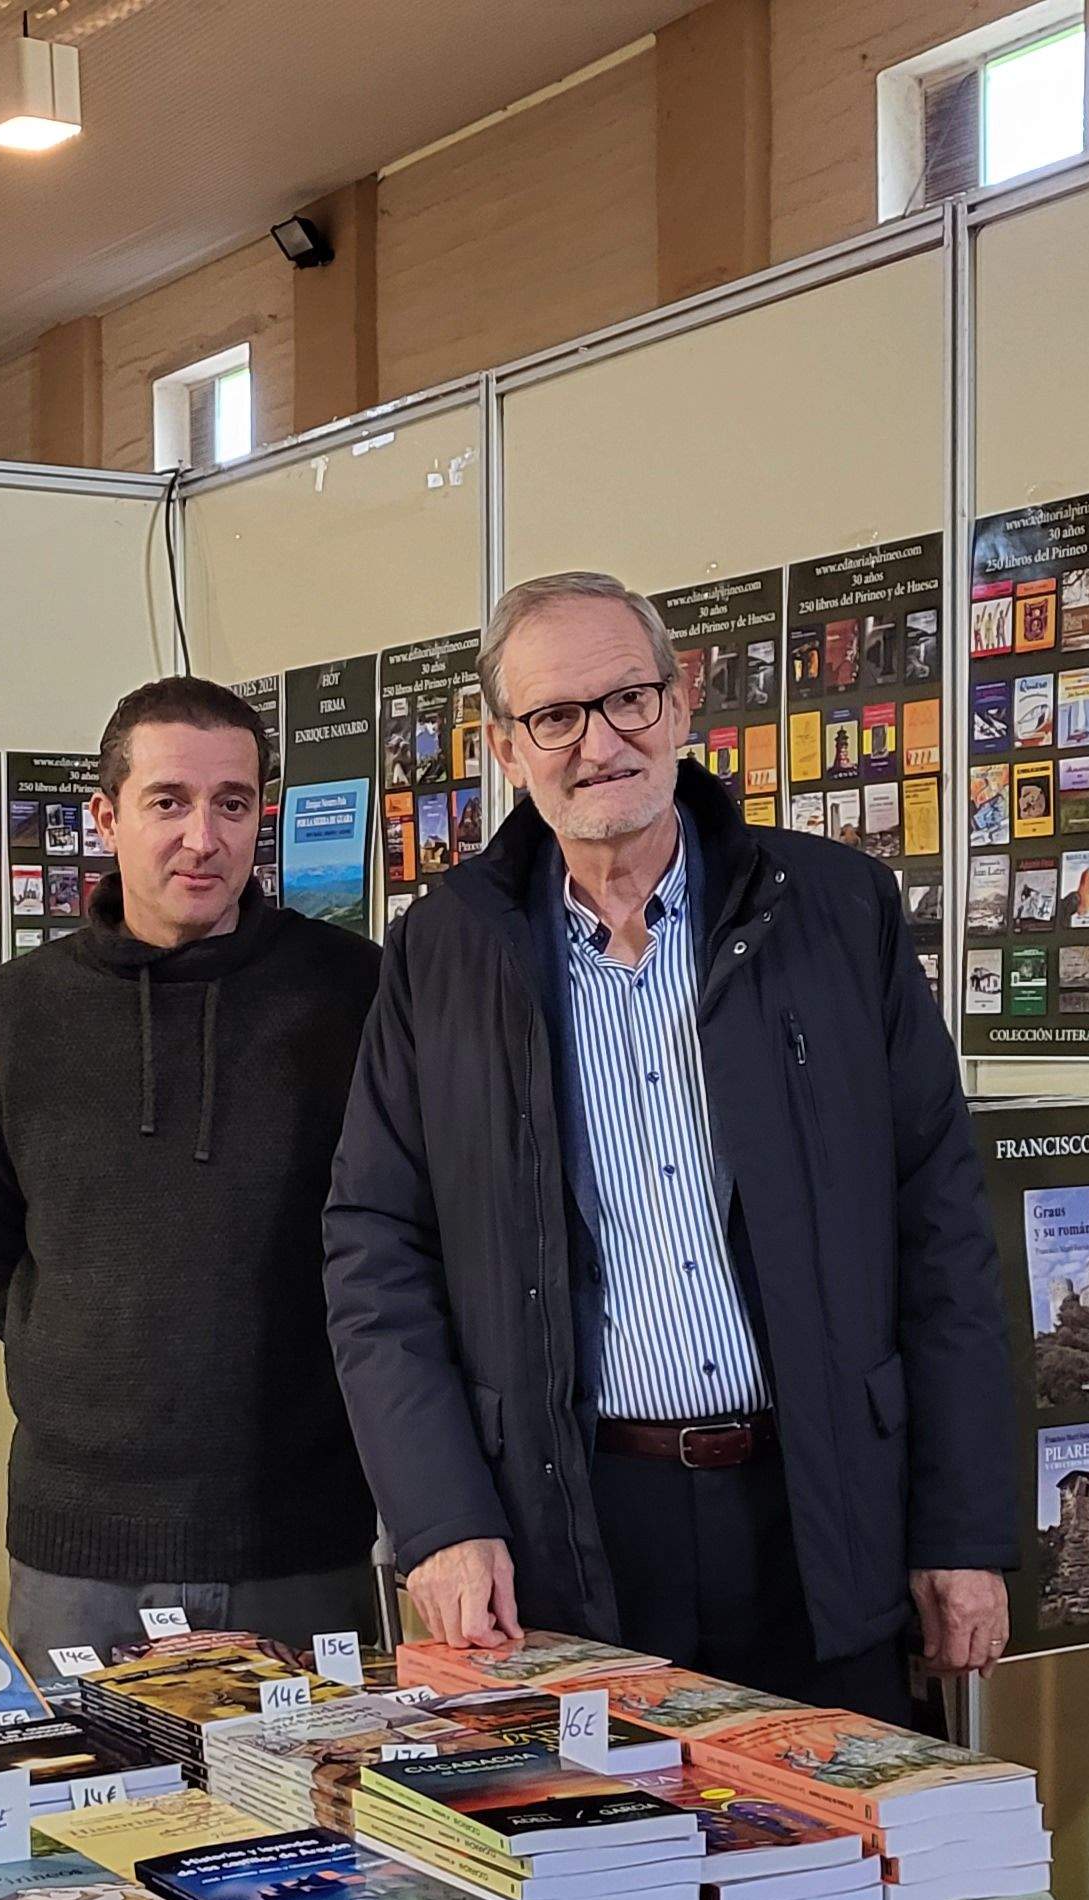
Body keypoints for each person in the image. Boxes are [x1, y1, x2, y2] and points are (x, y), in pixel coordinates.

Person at [325, 572, 1016, 1722]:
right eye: (554, 716)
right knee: (604, 1882)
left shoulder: (835, 910)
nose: (599, 742)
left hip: (823, 1507)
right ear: (506, 747)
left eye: (628, 698)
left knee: (840, 1883)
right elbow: (374, 1251)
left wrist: (960, 1526)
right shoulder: (445, 950)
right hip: (568, 1523)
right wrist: (441, 1519)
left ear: (682, 699)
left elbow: (938, 1228)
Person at [0, 677, 387, 1657]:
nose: (204, 836)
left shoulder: (355, 993)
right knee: (82, 1810)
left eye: (232, 803)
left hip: (299, 1540)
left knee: (318, 1810)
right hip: (79, 1554)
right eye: (168, 802)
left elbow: (403, 1243)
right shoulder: (21, 1012)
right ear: (105, 815)